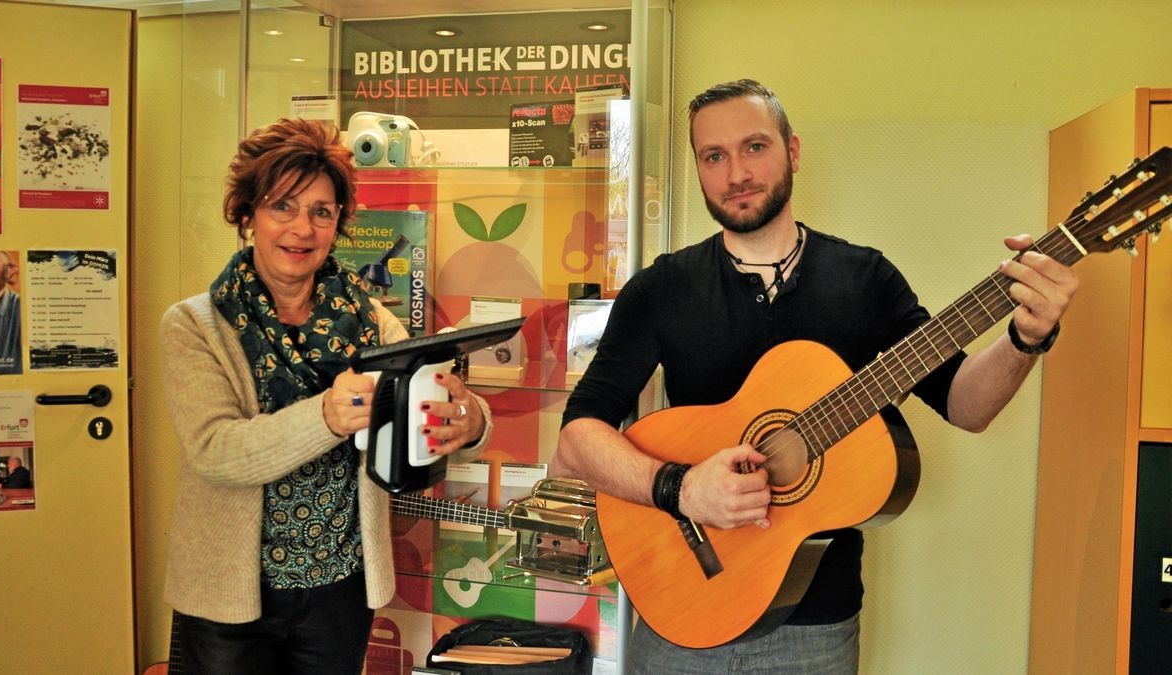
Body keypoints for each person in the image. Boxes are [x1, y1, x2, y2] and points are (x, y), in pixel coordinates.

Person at [550, 79, 1078, 673]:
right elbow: (577, 437)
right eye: (713, 156)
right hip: (678, 616)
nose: (735, 173)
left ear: (792, 152)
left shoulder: (864, 279)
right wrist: (681, 487)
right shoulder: (662, 288)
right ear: (699, 170)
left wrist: (1026, 337)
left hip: (815, 631)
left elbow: (965, 405)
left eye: (754, 147)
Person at [160, 118, 492, 674]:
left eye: (321, 211)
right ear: (246, 215)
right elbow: (216, 451)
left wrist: (471, 418)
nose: (302, 228)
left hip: (339, 587)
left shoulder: (366, 316)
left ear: (338, 222)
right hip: (228, 599)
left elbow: (425, 386)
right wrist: (326, 416)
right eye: (281, 206)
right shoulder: (195, 326)